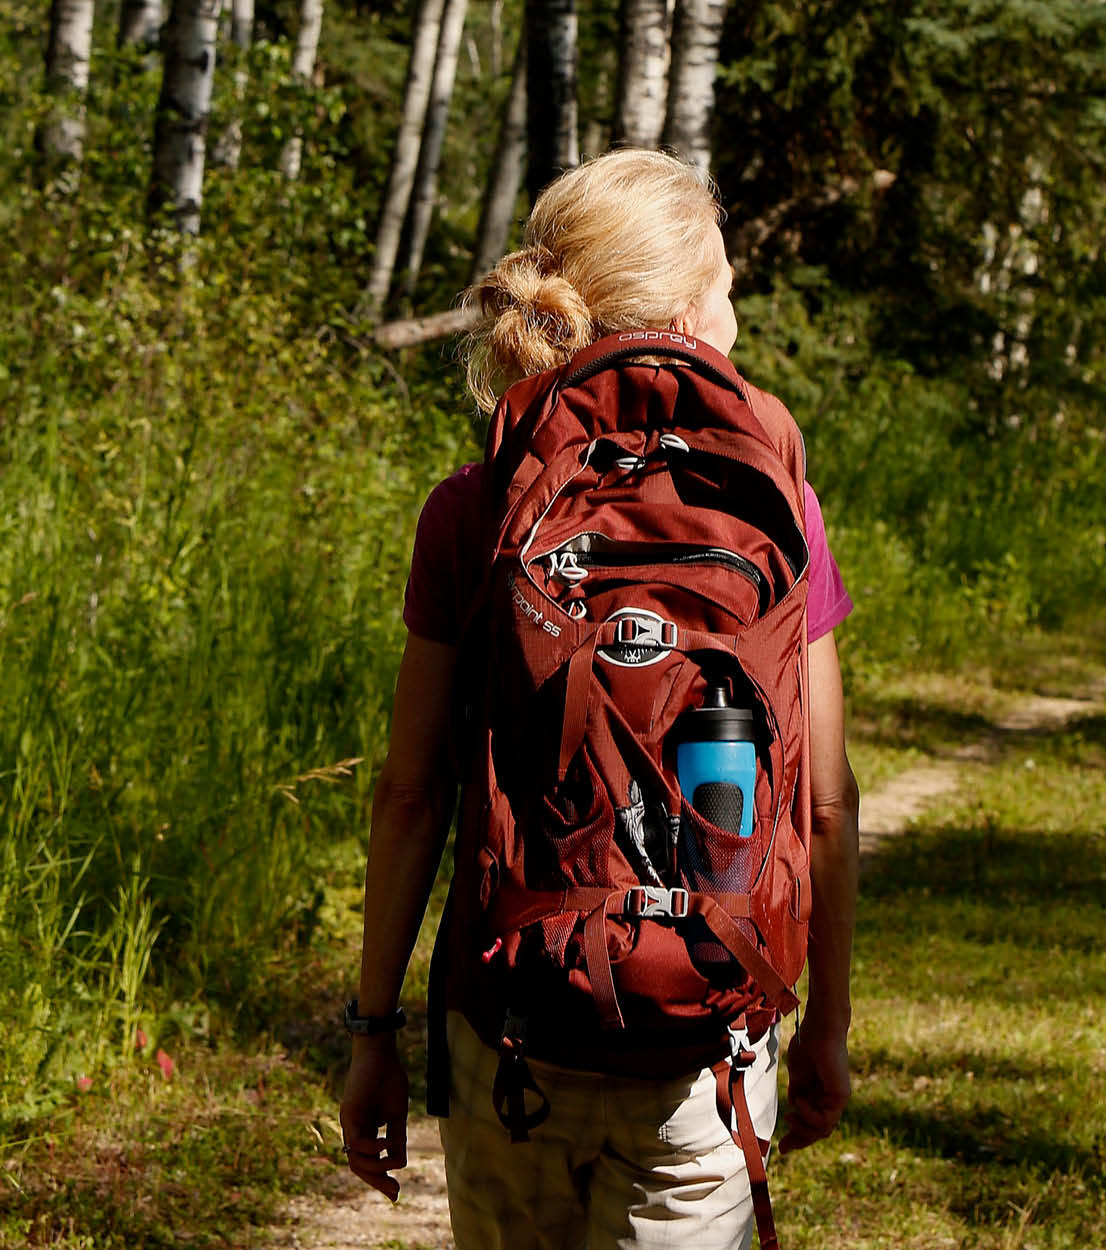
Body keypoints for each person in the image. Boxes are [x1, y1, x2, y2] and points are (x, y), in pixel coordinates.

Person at [338, 149, 861, 1250]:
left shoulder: (473, 507)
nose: (734, 310)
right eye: (725, 284)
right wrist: (827, 1025)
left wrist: (372, 1028)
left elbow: (409, 795)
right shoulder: (779, 504)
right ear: (683, 309)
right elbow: (822, 803)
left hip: (510, 1026)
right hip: (711, 1033)